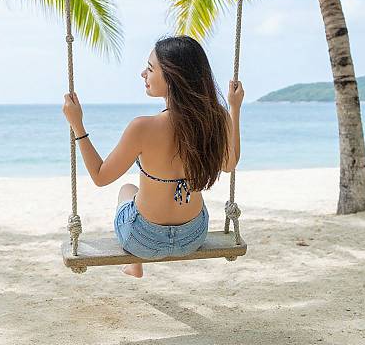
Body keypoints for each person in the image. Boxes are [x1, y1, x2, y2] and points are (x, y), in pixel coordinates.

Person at [62, 35, 243, 278]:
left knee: (127, 189)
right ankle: (138, 261)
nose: (142, 74)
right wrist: (234, 108)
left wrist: (78, 125)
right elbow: (229, 164)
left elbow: (100, 176)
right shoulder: (216, 119)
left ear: (172, 76)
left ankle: (135, 263)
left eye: (150, 68)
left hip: (142, 241)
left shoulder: (142, 128)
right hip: (193, 236)